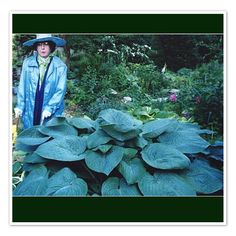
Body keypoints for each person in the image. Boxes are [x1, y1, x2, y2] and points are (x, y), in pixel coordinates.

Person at [14, 34, 67, 129]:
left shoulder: (60, 66)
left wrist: (49, 108)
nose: (42, 47)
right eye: (39, 44)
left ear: (51, 46)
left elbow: (60, 90)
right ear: (36, 47)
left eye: (46, 44)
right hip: (31, 106)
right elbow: (22, 86)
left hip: (49, 109)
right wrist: (20, 106)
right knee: (30, 134)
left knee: (47, 136)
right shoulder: (28, 63)